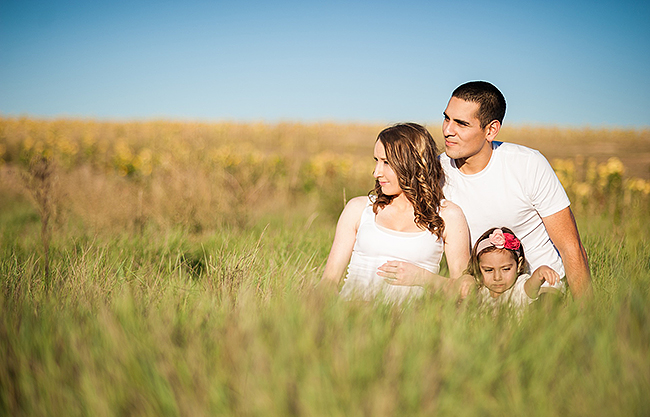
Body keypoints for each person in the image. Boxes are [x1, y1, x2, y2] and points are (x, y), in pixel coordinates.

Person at [380, 81, 592, 299]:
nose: (447, 130)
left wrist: (587, 317)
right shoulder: (435, 172)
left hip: (540, 289)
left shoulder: (528, 164)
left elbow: (571, 247)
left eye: (461, 124)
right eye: (446, 118)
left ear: (491, 130)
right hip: (479, 292)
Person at [320, 123, 470, 304]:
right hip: (353, 319)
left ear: (413, 163)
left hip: (413, 326)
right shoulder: (358, 209)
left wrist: (423, 277)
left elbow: (466, 289)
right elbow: (328, 282)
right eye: (376, 160)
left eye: (386, 162)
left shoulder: (448, 215)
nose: (376, 172)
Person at [467, 227, 560, 313]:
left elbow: (531, 286)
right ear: (478, 267)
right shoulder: (480, 290)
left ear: (518, 265)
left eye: (506, 269)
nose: (497, 277)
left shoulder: (518, 288)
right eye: (488, 270)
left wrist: (540, 273)